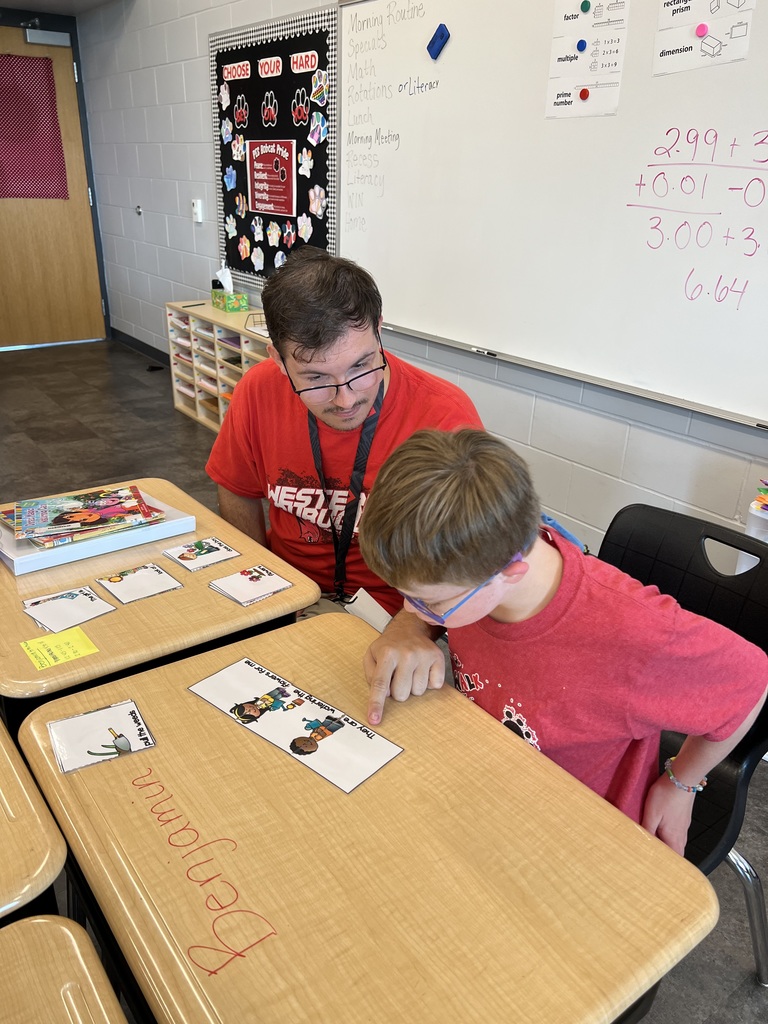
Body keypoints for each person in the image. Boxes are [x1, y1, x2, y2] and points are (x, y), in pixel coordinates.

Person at [357, 428, 768, 855]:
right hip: (491, 781)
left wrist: (682, 783)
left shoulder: (633, 630)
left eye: (431, 601)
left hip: (583, 828)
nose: (418, 610)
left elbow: (751, 680)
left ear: (509, 573)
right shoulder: (480, 567)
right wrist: (408, 626)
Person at [206, 246, 484, 693]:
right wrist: (258, 586)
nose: (346, 398)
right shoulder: (257, 391)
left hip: (401, 619)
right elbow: (237, 487)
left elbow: (463, 553)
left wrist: (415, 626)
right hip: (287, 600)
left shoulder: (443, 414)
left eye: (361, 365)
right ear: (278, 359)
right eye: (316, 378)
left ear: (379, 333)